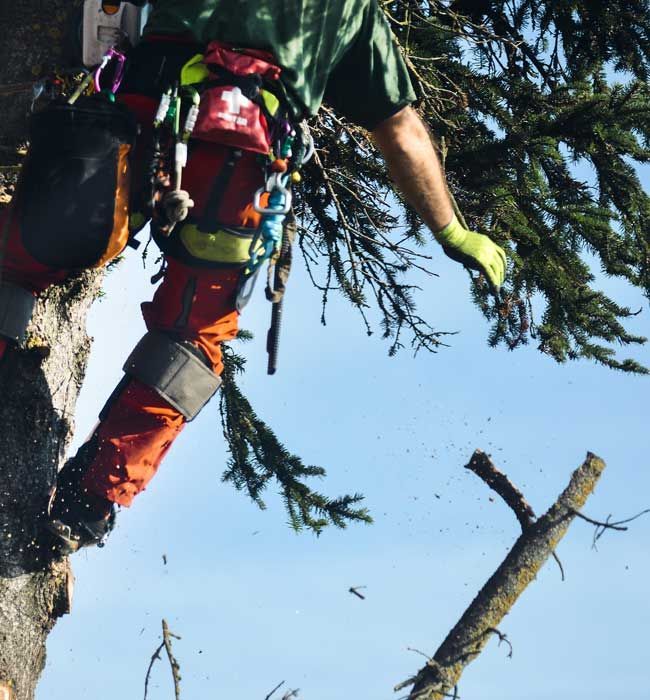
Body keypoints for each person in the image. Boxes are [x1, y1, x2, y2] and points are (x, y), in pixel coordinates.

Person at [0, 0, 506, 554]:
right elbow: (400, 128)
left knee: (22, 257)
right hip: (238, 161)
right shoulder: (349, 11)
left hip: (136, 115)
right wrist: (451, 229)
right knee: (192, 333)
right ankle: (88, 502)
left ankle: (88, 496)